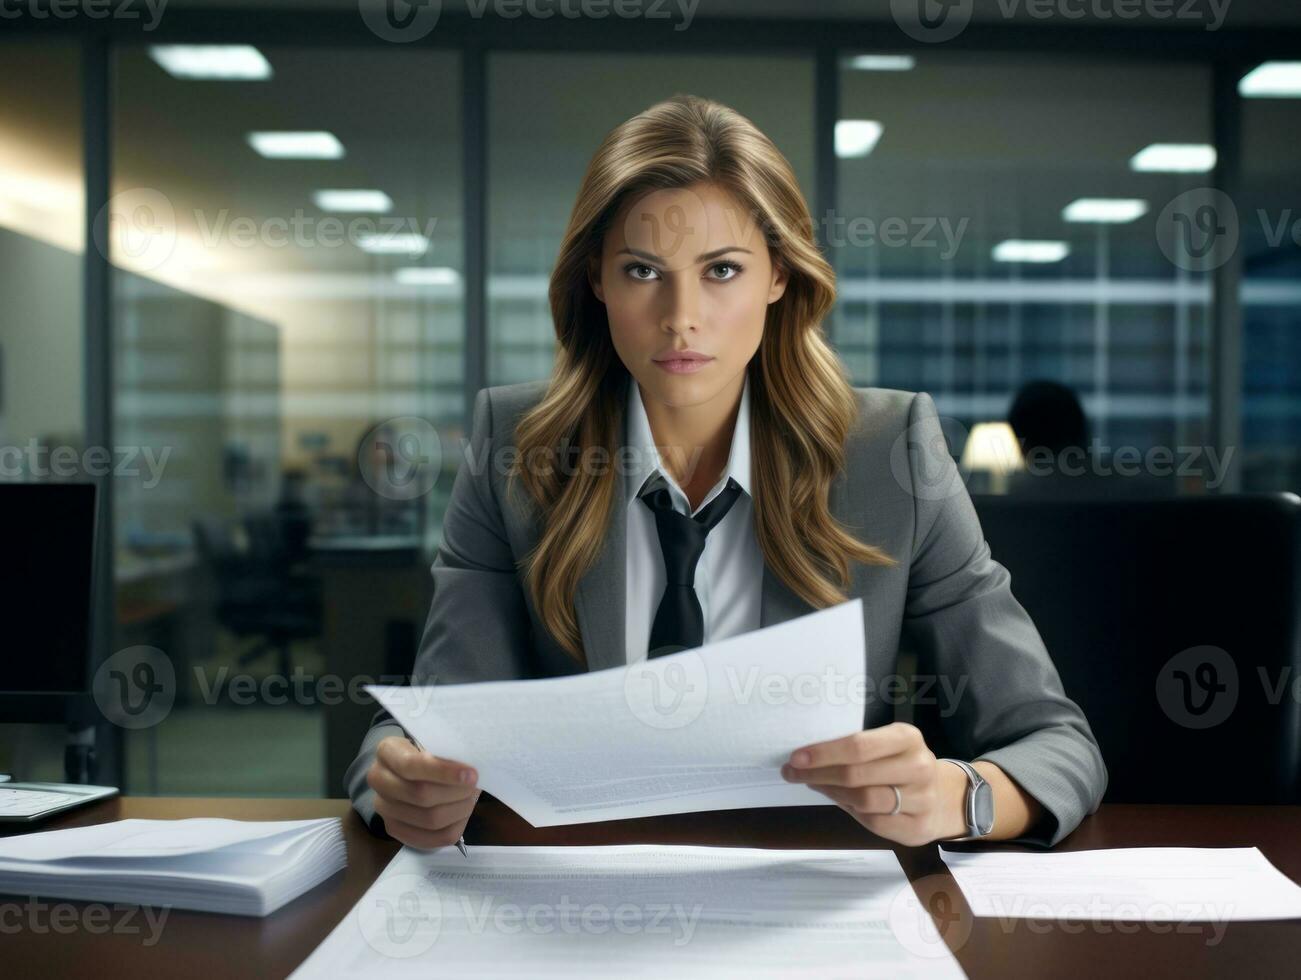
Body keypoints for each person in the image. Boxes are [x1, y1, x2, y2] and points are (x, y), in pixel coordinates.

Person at [347, 94, 1106, 852]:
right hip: (579, 897)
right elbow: (424, 726)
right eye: (643, 270)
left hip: (813, 891)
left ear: (778, 275)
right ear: (596, 282)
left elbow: (1054, 744)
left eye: (721, 270)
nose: (682, 316)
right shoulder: (514, 446)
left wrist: (955, 796)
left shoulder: (891, 452)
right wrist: (401, 787)